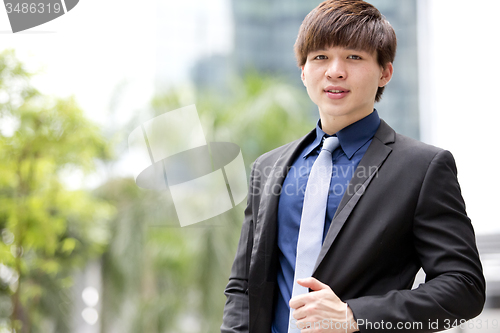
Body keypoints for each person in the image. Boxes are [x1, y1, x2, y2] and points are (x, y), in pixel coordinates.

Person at [221, 0, 485, 332]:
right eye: (320, 57)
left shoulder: (423, 168)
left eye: (353, 57)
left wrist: (355, 316)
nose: (335, 70)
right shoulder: (268, 168)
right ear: (303, 72)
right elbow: (244, 286)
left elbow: (464, 286)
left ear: (385, 72)